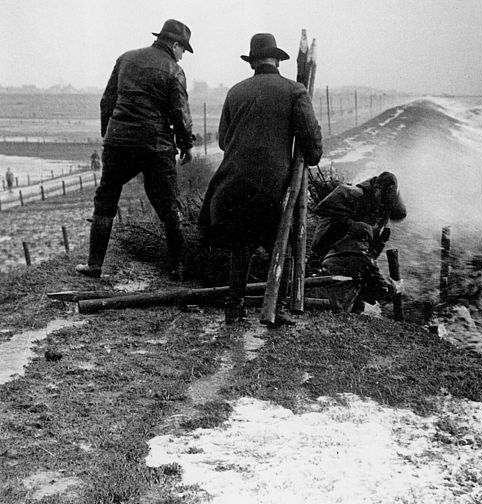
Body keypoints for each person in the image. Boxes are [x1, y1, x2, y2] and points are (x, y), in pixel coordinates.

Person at [198, 33, 323, 326]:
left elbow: (223, 141)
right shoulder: (295, 91)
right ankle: (275, 308)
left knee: (241, 244)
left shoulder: (235, 92)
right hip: (275, 186)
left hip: (232, 183)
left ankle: (235, 306)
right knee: (284, 243)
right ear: (277, 59)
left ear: (253, 61)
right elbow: (312, 146)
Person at [75, 19, 195, 280]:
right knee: (168, 205)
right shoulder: (174, 70)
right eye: (183, 49)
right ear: (174, 45)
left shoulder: (125, 59)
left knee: (106, 196)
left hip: (119, 143)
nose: (183, 55)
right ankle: (177, 269)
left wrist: (109, 133)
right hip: (157, 145)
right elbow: (180, 114)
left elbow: (107, 101)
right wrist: (186, 145)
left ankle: (94, 266)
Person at [311, 171, 407, 313]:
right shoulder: (354, 194)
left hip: (348, 253)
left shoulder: (381, 208)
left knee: (356, 282)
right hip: (336, 248)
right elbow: (322, 209)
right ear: (377, 188)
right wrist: (351, 224)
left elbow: (398, 214)